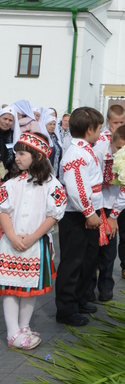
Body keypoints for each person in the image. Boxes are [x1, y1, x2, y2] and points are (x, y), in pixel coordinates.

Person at [0, 132, 66, 349]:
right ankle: (13, 332)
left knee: (29, 288)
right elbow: (3, 211)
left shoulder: (52, 185)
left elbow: (53, 215)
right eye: (16, 153)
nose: (17, 158)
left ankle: (24, 326)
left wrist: (32, 237)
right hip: (11, 244)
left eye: (22, 154)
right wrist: (11, 235)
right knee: (11, 287)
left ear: (38, 156)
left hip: (36, 244)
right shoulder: (11, 184)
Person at [55, 107, 104, 327]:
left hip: (89, 212)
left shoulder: (85, 150)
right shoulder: (75, 153)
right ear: (90, 129)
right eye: (99, 128)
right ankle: (66, 308)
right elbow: (77, 188)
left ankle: (79, 298)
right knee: (73, 261)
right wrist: (89, 212)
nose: (100, 133)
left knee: (88, 258)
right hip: (77, 215)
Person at [91, 124, 125, 302]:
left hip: (113, 203)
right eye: (118, 148)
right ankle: (88, 289)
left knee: (109, 249)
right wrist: (96, 212)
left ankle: (106, 287)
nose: (121, 153)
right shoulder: (98, 153)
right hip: (94, 203)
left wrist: (113, 217)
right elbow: (91, 183)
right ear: (111, 142)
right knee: (92, 247)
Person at [39, 108, 62, 179]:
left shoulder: (55, 138)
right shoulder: (42, 138)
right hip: (44, 173)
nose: (52, 126)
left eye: (54, 124)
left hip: (55, 173)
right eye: (50, 124)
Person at [0, 107, 15, 181]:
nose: (7, 122)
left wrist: (4, 172)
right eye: (5, 119)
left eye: (10, 120)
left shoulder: (13, 136)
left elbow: (15, 156)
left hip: (7, 176)